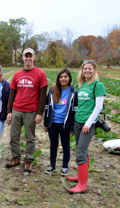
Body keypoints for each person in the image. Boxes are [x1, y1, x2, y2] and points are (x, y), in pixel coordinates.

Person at [6, 48, 48, 173]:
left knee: (30, 137)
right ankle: (16, 157)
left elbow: (43, 96)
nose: (28, 58)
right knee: (14, 136)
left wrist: (40, 113)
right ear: (23, 58)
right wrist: (9, 111)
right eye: (26, 56)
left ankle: (29, 159)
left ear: (34, 58)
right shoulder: (17, 75)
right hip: (17, 109)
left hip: (31, 111)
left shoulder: (40, 74)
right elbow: (12, 94)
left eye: (30, 56)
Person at [67, 60, 106, 193]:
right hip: (78, 121)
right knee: (80, 148)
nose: (87, 71)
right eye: (85, 69)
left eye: (90, 69)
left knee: (81, 152)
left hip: (87, 124)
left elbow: (98, 106)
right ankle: (80, 176)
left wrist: (88, 123)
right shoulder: (82, 84)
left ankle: (82, 185)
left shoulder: (98, 85)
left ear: (94, 70)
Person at [44, 68, 77, 176]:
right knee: (53, 144)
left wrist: (72, 128)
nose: (63, 79)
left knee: (65, 145)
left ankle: (65, 167)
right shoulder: (53, 90)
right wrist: (45, 123)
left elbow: (74, 111)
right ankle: (52, 166)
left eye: (65, 77)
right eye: (61, 77)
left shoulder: (73, 91)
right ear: (58, 78)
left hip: (65, 124)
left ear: (69, 78)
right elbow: (47, 107)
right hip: (53, 123)